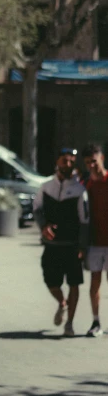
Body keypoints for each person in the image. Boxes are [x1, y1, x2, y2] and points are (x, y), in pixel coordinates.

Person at [33, 147, 89, 337]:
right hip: (52, 245)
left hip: (71, 245)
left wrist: (83, 245)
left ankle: (70, 324)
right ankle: (61, 303)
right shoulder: (46, 186)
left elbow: (84, 220)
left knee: (74, 283)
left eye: (72, 161)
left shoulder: (79, 190)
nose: (68, 164)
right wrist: (43, 226)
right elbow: (38, 209)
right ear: (57, 162)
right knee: (51, 281)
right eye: (65, 160)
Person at [81, 143, 108, 337]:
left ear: (102, 159)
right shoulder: (85, 185)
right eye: (88, 162)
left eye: (94, 161)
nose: (91, 165)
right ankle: (96, 322)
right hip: (94, 242)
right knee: (94, 283)